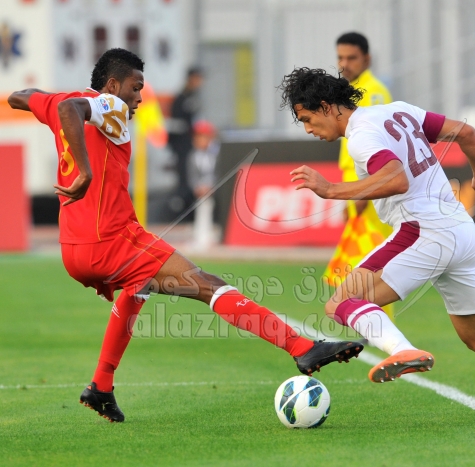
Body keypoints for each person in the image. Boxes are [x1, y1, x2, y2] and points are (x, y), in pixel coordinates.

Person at [7, 50, 363, 423]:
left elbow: (22, 96)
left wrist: (46, 101)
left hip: (73, 250)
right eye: (135, 87)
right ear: (112, 85)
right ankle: (301, 346)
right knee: (210, 285)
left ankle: (101, 385)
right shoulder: (109, 105)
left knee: (138, 288)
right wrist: (85, 171)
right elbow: (72, 110)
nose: (139, 98)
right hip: (112, 241)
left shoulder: (61, 101)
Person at [279, 67, 475, 426]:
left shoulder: (361, 136)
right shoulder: (397, 110)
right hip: (460, 230)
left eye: (307, 119)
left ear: (326, 106)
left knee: (341, 302)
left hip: (422, 230)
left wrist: (330, 189)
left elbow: (396, 179)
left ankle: (402, 350)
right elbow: (465, 132)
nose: (308, 129)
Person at [325, 32, 395, 320]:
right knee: (363, 262)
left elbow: (378, 145)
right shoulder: (352, 91)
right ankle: (370, 322)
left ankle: (379, 325)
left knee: (374, 262)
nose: (345, 64)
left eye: (351, 58)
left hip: (368, 186)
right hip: (356, 184)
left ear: (367, 59)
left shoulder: (373, 92)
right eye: (340, 57)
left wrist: (366, 190)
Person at [167, 67, 203, 216]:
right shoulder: (181, 98)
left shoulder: (194, 97)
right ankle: (181, 207)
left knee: (194, 175)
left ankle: (190, 206)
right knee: (185, 176)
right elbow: (176, 125)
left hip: (192, 144)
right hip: (183, 145)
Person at [188, 120, 220, 249]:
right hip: (202, 191)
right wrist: (197, 188)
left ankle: (214, 234)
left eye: (202, 136)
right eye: (197, 137)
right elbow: (192, 176)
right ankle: (201, 236)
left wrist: (212, 187)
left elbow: (219, 172)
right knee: (202, 206)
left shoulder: (217, 153)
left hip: (216, 189)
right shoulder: (193, 156)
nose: (198, 140)